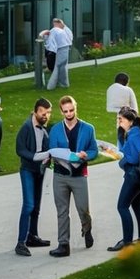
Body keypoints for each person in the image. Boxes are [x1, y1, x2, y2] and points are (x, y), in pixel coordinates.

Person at [46, 95, 98, 256]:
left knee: (83, 209)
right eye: (65, 111)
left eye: (71, 110)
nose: (69, 114)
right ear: (61, 112)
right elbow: (52, 150)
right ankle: (63, 244)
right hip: (60, 176)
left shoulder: (88, 128)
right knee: (62, 211)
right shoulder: (55, 130)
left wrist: (85, 155)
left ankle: (87, 229)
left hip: (79, 175)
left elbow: (94, 151)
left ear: (76, 108)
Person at [108, 107, 140, 251]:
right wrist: (120, 135)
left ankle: (127, 242)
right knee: (139, 207)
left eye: (120, 119)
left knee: (122, 206)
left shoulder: (134, 135)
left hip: (133, 177)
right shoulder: (134, 132)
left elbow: (133, 158)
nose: (118, 122)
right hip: (139, 176)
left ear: (130, 121)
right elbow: (124, 151)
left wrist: (121, 160)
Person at [14, 97, 53, 256]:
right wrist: (36, 157)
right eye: (43, 113)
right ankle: (20, 242)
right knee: (29, 205)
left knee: (36, 206)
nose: (46, 116)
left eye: (48, 113)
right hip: (28, 170)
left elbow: (47, 148)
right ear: (36, 111)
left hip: (40, 170)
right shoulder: (26, 128)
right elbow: (20, 150)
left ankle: (32, 236)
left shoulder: (44, 129)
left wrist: (48, 157)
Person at [106, 72, 138, 144]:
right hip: (129, 118)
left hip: (119, 120)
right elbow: (135, 107)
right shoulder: (128, 90)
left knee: (121, 139)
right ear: (126, 82)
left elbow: (109, 108)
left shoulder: (109, 89)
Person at [44, 18, 73, 90]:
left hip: (60, 49)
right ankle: (64, 84)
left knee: (57, 67)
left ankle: (51, 86)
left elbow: (50, 41)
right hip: (65, 49)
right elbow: (70, 39)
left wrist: (50, 50)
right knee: (62, 67)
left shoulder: (54, 31)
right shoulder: (65, 30)